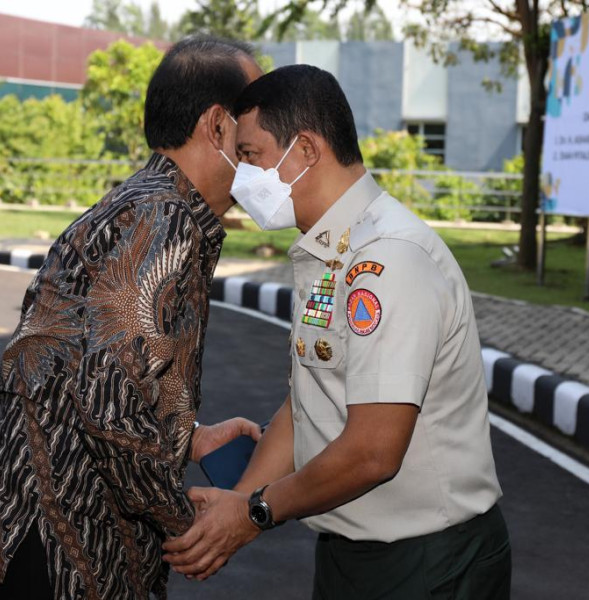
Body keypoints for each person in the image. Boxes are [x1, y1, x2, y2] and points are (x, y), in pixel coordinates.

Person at [163, 64, 511, 599]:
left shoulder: (389, 259)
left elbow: (373, 451)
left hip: (427, 565)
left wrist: (254, 512)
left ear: (305, 149)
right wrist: (238, 501)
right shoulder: (333, 251)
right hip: (354, 556)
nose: (241, 176)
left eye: (252, 155)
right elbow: (305, 405)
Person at [0, 36, 265, 600]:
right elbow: (109, 401)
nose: (264, 140)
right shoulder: (164, 220)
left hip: (45, 537)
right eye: (255, 120)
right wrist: (189, 526)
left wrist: (189, 438)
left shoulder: (142, 204)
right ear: (218, 126)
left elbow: (97, 365)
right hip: (65, 554)